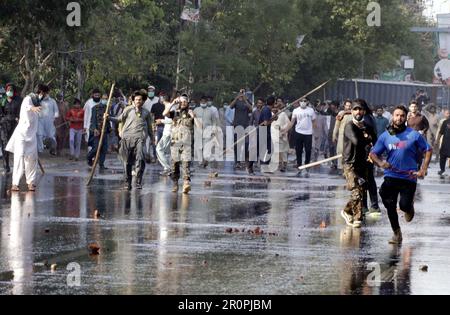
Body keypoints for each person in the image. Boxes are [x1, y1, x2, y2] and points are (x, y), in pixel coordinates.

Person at [370, 105, 432, 244]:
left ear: (406, 117)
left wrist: (423, 169)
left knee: (403, 206)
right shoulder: (386, 135)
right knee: (388, 201)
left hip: (409, 177)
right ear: (393, 116)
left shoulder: (414, 134)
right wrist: (380, 163)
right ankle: (397, 233)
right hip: (391, 175)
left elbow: (428, 150)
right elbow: (373, 153)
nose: (399, 118)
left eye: (402, 116)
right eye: (397, 115)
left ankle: (409, 206)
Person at [340, 101, 376, 229]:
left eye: (360, 110)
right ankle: (357, 218)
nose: (358, 112)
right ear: (352, 112)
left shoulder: (368, 126)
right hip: (349, 163)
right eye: (355, 109)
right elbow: (356, 141)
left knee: (361, 190)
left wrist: (374, 152)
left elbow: (376, 142)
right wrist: (367, 140)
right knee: (355, 190)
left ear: (364, 111)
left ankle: (347, 211)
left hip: (363, 163)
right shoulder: (350, 126)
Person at [6, 84, 45, 192]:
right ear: (41, 92)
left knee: (32, 159)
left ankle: (31, 183)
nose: (44, 97)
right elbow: (28, 107)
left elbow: (39, 118)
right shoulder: (28, 99)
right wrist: (33, 108)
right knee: (19, 158)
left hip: (32, 136)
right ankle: (15, 184)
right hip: (22, 135)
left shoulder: (38, 102)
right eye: (44, 94)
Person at [111, 90, 152, 190]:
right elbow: (118, 119)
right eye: (136, 99)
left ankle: (138, 181)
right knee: (127, 162)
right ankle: (128, 182)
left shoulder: (146, 113)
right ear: (133, 100)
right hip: (126, 139)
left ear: (143, 101)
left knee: (140, 159)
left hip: (140, 139)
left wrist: (152, 139)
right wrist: (108, 118)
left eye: (140, 100)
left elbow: (150, 127)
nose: (138, 101)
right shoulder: (128, 110)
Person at [164, 95, 195, 194]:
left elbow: (200, 126)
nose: (183, 103)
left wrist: (194, 117)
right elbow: (164, 113)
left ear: (188, 103)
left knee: (186, 164)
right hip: (175, 143)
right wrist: (172, 103)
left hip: (186, 143)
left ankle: (186, 183)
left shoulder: (191, 113)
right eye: (181, 102)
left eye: (185, 101)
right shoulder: (175, 113)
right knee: (175, 165)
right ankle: (175, 183)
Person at [283, 97, 317, 178]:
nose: (303, 102)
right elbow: (292, 122)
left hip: (308, 133)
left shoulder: (311, 110)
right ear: (299, 102)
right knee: (298, 151)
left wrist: (315, 133)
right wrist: (285, 130)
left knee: (308, 150)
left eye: (304, 101)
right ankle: (299, 166)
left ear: (307, 102)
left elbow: (314, 122)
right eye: (301, 101)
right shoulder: (296, 110)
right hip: (298, 133)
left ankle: (307, 166)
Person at [0, 83, 22, 173]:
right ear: (6, 90)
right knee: (5, 146)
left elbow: (22, 112)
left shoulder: (19, 100)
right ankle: (6, 167)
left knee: (17, 146)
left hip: (16, 126)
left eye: (11, 90)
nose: (9, 91)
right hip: (4, 126)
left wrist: (19, 118)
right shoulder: (2, 100)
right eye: (8, 90)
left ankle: (18, 167)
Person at [229, 89, 253, 173]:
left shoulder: (247, 101)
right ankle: (237, 161)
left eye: (243, 92)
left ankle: (245, 160)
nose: (241, 94)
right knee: (237, 144)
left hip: (245, 125)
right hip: (237, 125)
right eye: (240, 92)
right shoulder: (236, 101)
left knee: (246, 144)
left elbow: (251, 108)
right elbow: (230, 106)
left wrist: (245, 99)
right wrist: (236, 98)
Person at [87, 93, 110, 170]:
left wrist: (110, 128)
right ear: (101, 99)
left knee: (104, 148)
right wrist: (94, 129)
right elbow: (92, 120)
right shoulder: (95, 108)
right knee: (96, 148)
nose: (105, 100)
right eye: (104, 99)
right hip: (97, 131)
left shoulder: (107, 108)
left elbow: (109, 120)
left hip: (105, 131)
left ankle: (101, 164)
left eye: (107, 99)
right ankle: (89, 157)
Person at [37, 86, 59, 155]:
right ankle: (39, 150)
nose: (43, 94)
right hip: (40, 121)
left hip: (50, 122)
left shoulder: (52, 101)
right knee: (39, 135)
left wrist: (54, 118)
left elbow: (56, 112)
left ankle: (53, 149)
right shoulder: (38, 101)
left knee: (51, 137)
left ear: (47, 93)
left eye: (45, 93)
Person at [333, 100, 353, 171]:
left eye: (350, 106)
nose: (349, 107)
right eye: (347, 105)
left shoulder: (354, 114)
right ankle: (340, 167)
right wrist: (334, 135)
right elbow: (336, 125)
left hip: (350, 137)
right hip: (341, 136)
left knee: (349, 153)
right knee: (340, 151)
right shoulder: (340, 113)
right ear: (344, 106)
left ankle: (347, 168)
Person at [437, 109, 450, 176]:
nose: (449, 114)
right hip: (445, 143)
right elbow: (440, 132)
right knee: (442, 156)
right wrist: (437, 140)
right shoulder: (445, 122)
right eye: (447, 113)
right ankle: (442, 169)